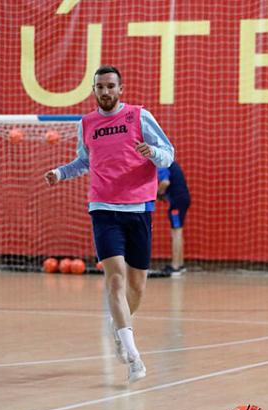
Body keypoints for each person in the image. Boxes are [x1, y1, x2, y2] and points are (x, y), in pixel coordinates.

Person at [45, 65, 175, 383]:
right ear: (94, 90)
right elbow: (84, 161)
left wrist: (152, 152)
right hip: (103, 209)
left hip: (139, 209)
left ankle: (120, 328)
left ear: (121, 89)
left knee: (137, 286)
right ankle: (133, 356)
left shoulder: (138, 117)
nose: (105, 92)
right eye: (99, 87)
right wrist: (60, 173)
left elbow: (168, 154)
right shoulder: (87, 123)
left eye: (110, 86)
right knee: (115, 280)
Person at [156, 160, 191, 275]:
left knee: (176, 232)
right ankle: (179, 264)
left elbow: (165, 182)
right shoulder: (171, 163)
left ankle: (175, 266)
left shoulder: (161, 163)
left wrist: (157, 194)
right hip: (182, 199)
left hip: (177, 202)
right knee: (178, 231)